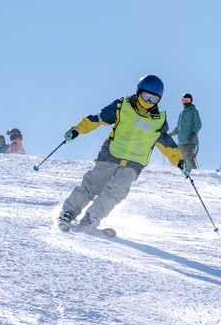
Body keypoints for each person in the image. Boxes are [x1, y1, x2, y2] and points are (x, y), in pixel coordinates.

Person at [56, 74, 190, 234]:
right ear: (139, 92)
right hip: (111, 154)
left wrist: (180, 161)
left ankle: (92, 217)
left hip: (134, 164)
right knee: (92, 185)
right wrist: (78, 129)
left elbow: (168, 146)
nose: (148, 102)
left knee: (116, 191)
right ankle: (69, 212)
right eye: (146, 96)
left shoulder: (158, 120)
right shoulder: (122, 106)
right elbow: (98, 118)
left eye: (154, 99)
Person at [171, 93, 202, 169]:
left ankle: (194, 173)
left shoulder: (194, 111)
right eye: (185, 100)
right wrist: (171, 134)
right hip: (182, 142)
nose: (186, 102)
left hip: (191, 141)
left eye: (188, 100)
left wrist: (193, 134)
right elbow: (179, 128)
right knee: (181, 159)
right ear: (182, 101)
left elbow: (198, 124)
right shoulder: (181, 114)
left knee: (189, 158)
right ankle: (181, 174)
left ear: (191, 101)